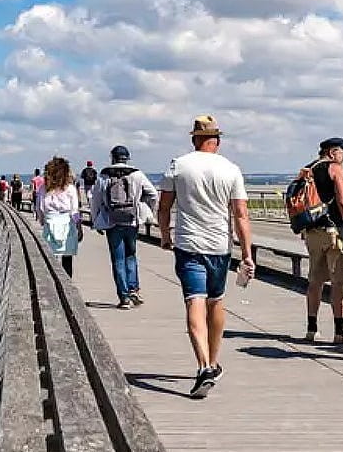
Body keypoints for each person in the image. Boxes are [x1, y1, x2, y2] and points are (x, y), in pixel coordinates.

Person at [157, 116, 254, 399]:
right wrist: (247, 254)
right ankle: (213, 361)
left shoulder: (178, 164)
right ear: (217, 141)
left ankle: (204, 365)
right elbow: (241, 214)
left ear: (193, 140)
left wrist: (165, 235)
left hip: (189, 244)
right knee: (216, 301)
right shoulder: (231, 169)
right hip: (219, 247)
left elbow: (164, 207)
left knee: (193, 302)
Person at [303, 137, 343, 345]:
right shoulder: (335, 168)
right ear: (333, 152)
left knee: (315, 281)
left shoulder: (308, 169)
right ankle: (340, 330)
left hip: (312, 232)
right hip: (334, 231)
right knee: (339, 282)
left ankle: (312, 328)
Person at [91, 145, 158, 309]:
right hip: (131, 221)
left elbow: (95, 200)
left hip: (111, 221)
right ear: (127, 158)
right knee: (131, 255)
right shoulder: (136, 174)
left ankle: (124, 297)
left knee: (117, 259)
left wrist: (96, 221)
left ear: (112, 157)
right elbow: (153, 194)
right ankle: (133, 288)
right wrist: (144, 209)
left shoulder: (104, 175)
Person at [35, 155, 80, 277]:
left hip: (50, 223)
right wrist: (79, 227)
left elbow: (39, 208)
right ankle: (68, 283)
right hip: (67, 225)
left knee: (50, 259)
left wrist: (42, 221)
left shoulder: (43, 188)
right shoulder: (70, 188)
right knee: (67, 259)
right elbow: (75, 211)